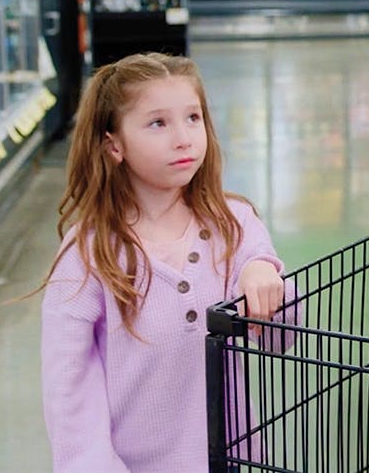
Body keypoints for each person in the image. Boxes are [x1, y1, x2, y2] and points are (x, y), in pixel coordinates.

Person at [38, 53, 287, 471]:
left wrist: (264, 274)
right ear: (113, 144)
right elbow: (70, 391)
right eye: (158, 123)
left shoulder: (233, 223)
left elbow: (281, 336)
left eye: (193, 118)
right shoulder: (88, 256)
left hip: (231, 461)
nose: (184, 137)